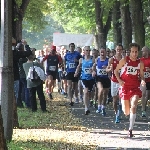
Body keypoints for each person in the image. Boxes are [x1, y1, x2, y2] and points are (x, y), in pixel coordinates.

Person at [114, 43, 145, 137]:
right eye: (133, 52)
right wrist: (119, 80)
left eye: (136, 52)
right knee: (126, 111)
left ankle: (130, 129)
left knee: (134, 105)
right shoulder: (124, 60)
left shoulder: (140, 63)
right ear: (130, 52)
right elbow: (116, 71)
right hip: (125, 87)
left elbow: (142, 75)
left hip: (135, 87)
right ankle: (126, 112)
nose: (134, 54)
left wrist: (143, 80)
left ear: (138, 52)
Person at [74, 46, 95, 114]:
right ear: (84, 51)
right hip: (84, 78)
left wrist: (93, 71)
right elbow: (78, 66)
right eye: (87, 50)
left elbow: (95, 66)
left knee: (90, 93)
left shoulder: (93, 59)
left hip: (91, 78)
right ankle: (86, 108)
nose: (88, 52)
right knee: (85, 91)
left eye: (89, 50)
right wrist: (76, 72)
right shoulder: (81, 59)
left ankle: (90, 101)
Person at [106, 43, 123, 123]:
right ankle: (116, 113)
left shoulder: (124, 59)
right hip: (114, 81)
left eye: (120, 50)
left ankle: (118, 114)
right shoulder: (111, 59)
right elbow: (107, 70)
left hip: (122, 81)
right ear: (115, 50)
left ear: (122, 50)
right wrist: (110, 69)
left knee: (120, 99)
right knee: (115, 100)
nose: (119, 51)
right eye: (117, 50)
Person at [92, 47, 110, 116]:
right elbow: (93, 67)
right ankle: (99, 106)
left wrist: (107, 69)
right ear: (99, 53)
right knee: (101, 90)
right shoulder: (97, 59)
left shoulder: (108, 60)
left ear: (105, 53)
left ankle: (103, 107)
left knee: (105, 94)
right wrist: (93, 71)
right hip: (99, 78)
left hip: (106, 79)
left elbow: (111, 68)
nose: (102, 53)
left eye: (103, 52)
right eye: (101, 52)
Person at [140, 46, 150, 117]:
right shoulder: (140, 60)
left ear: (147, 52)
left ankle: (144, 107)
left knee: (147, 95)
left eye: (143, 51)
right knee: (143, 94)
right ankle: (143, 110)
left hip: (149, 79)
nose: (142, 52)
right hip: (143, 79)